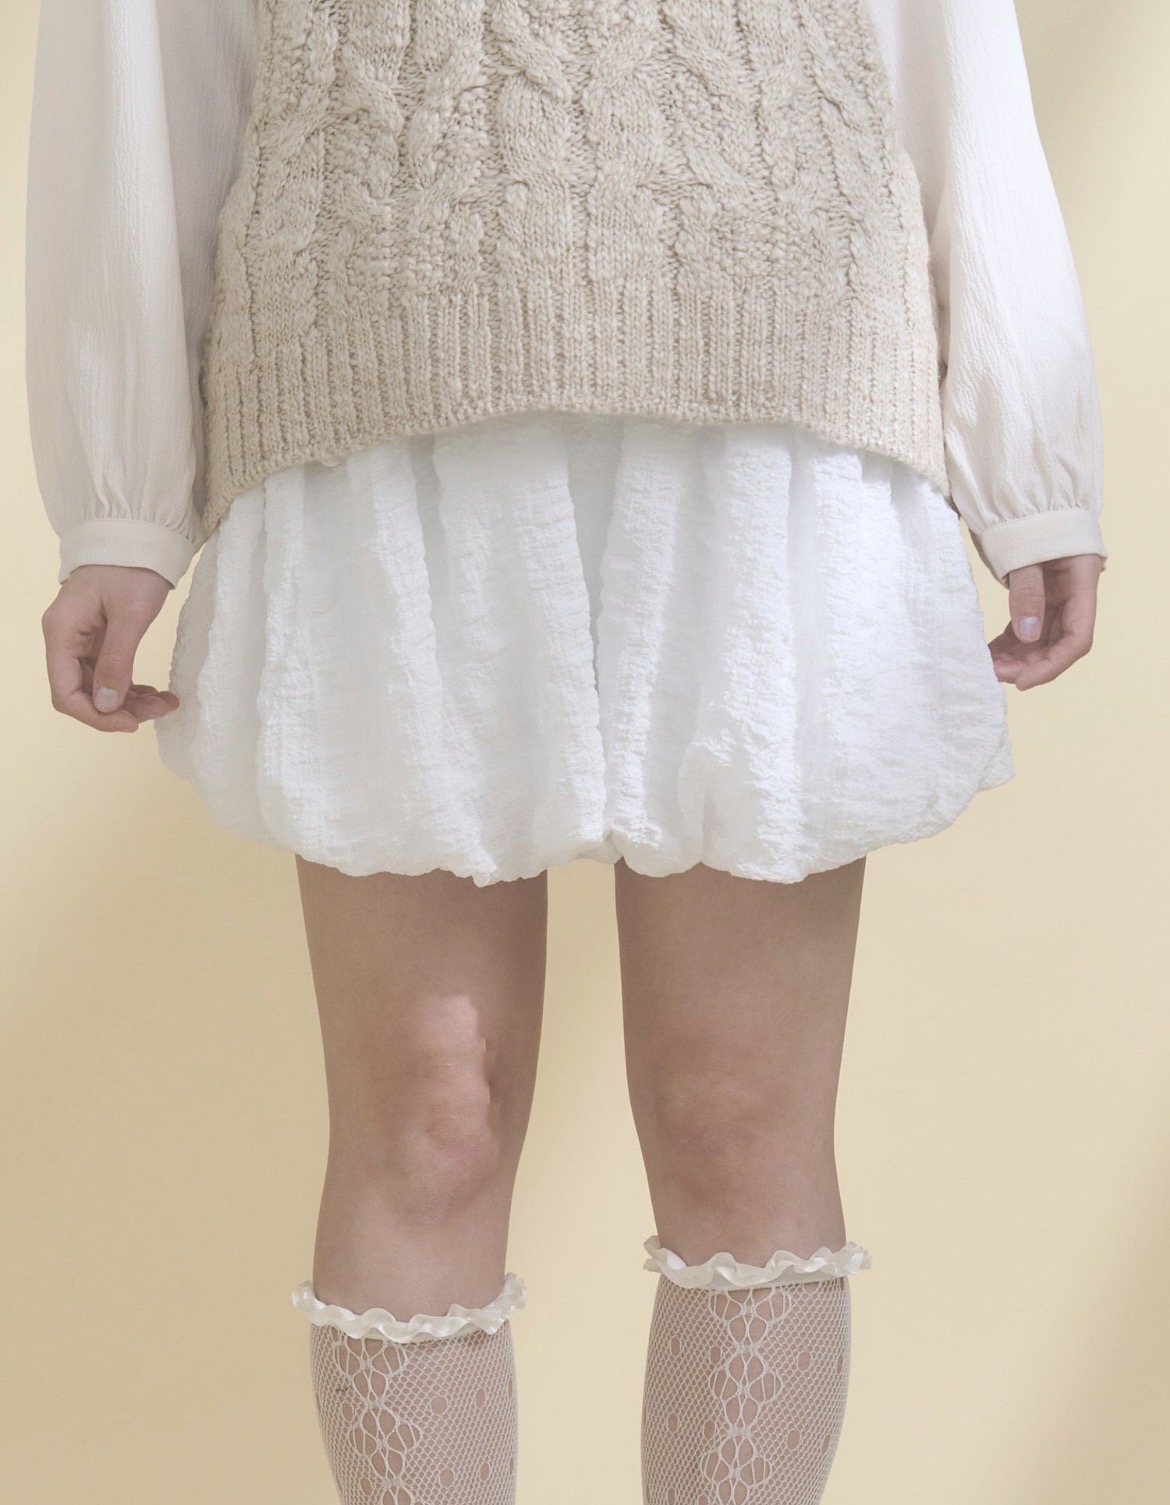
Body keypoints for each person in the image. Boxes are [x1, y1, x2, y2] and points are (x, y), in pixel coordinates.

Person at [26, 1, 1106, 1501]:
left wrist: (1029, 452)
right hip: (378, 378)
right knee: (430, 1118)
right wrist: (122, 494)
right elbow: (145, 51)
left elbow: (942, 37)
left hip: (777, 374)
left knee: (736, 1118)